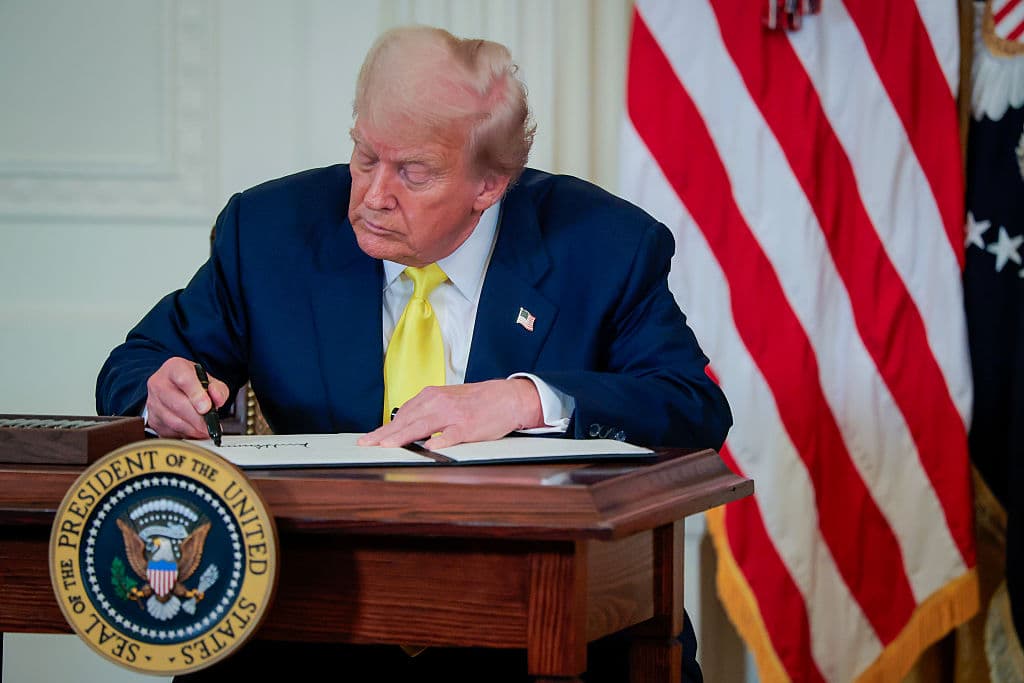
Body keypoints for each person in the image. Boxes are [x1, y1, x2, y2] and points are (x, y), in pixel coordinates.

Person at [97, 25, 730, 683]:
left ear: (490, 184)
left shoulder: (603, 245)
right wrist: (160, 391)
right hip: (315, 615)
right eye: (364, 156)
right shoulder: (269, 231)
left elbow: (692, 405)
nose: (373, 195)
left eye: (412, 172)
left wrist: (523, 398)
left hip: (533, 617)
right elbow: (135, 362)